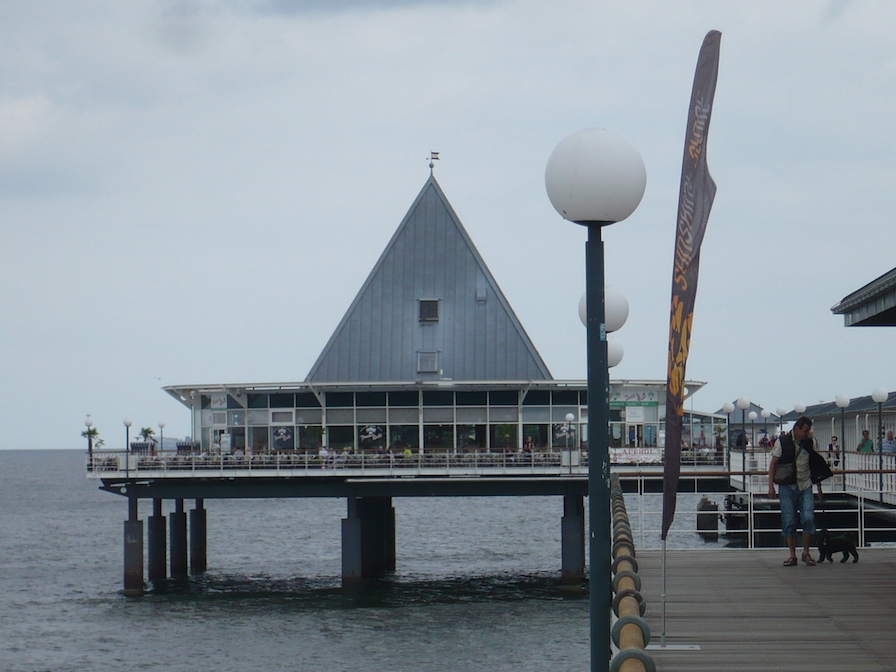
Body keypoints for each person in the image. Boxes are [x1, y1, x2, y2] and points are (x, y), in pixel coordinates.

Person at [767, 416, 822, 566]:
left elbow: (815, 464)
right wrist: (770, 485)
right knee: (789, 520)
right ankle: (792, 555)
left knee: (808, 518)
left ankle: (806, 552)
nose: (807, 433)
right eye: (805, 430)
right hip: (787, 486)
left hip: (805, 485)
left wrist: (818, 486)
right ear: (797, 429)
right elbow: (773, 464)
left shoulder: (810, 442)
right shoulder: (782, 442)